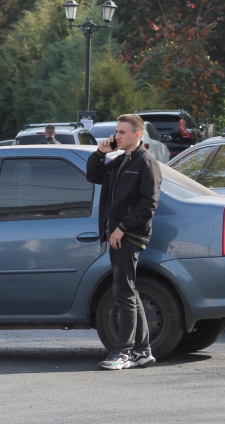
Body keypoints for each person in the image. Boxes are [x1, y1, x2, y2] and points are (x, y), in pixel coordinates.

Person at [86, 114, 162, 370]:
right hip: (118, 234)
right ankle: (142, 351)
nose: (117, 136)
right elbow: (93, 175)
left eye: (122, 132)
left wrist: (121, 228)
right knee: (129, 290)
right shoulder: (119, 161)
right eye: (116, 132)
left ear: (137, 135)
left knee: (123, 291)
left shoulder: (146, 163)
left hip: (129, 236)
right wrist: (100, 152)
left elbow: (148, 204)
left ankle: (124, 352)